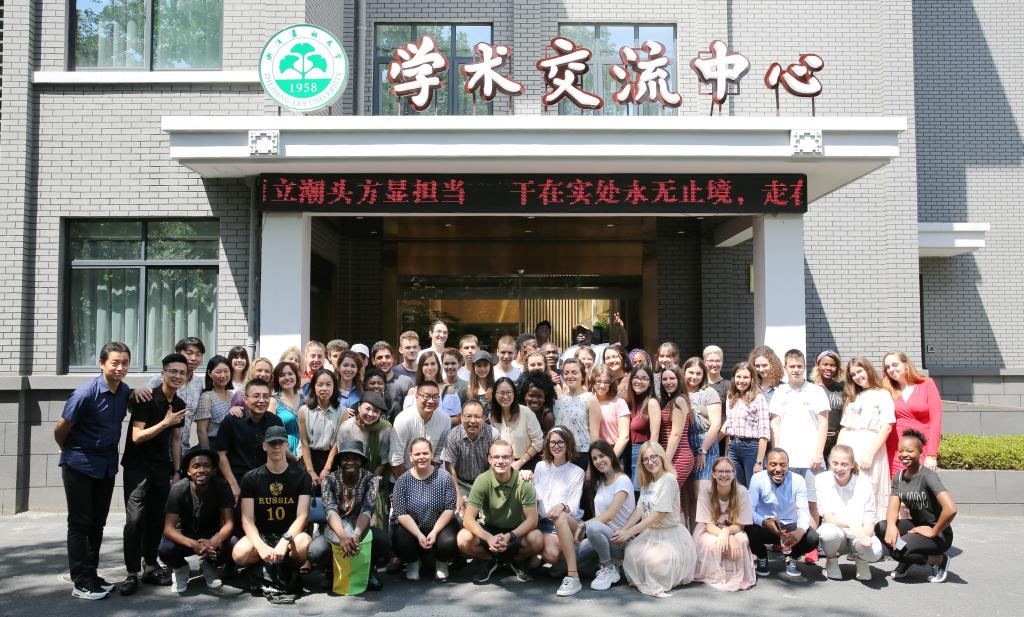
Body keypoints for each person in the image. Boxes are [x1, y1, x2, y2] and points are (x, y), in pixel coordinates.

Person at [54, 341, 133, 600]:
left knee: (98, 523)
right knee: (80, 523)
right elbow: (61, 428)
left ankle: (91, 573)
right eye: (115, 363)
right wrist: (69, 451)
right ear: (102, 364)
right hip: (79, 464)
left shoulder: (124, 391)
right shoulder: (85, 393)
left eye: (124, 363)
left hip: (106, 465)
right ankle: (80, 581)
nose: (120, 368)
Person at [119, 352, 189, 595]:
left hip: (161, 467)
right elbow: (137, 436)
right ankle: (131, 573)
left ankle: (150, 567)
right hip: (137, 467)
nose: (177, 376)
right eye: (173, 371)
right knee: (135, 520)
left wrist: (177, 470)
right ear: (163, 373)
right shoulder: (147, 397)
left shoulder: (179, 404)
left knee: (157, 519)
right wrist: (165, 423)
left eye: (182, 373)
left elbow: (176, 439)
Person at [232, 426, 313, 602]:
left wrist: (285, 541)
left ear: (287, 445)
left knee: (305, 544)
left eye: (280, 443)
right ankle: (264, 566)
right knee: (239, 553)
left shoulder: (301, 476)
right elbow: (247, 520)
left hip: (291, 536)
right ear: (264, 446)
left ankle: (286, 569)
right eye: (272, 443)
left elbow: (303, 516)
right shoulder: (251, 478)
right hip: (263, 534)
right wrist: (261, 546)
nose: (276, 447)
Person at [769, 349, 829, 562]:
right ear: (785, 368)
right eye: (792, 366)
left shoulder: (816, 391)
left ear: (804, 367)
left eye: (799, 366)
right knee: (786, 502)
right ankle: (785, 539)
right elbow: (775, 423)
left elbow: (823, 423)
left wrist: (819, 452)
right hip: (787, 459)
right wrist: (776, 454)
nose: (795, 370)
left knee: (812, 502)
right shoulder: (780, 392)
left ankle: (810, 544)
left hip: (811, 458)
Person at [876, 430, 957, 583]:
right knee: (882, 528)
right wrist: (891, 526)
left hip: (939, 534)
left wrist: (933, 531)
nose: (903, 454)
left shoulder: (928, 476)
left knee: (901, 549)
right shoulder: (899, 476)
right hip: (917, 527)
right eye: (901, 451)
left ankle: (938, 560)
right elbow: (893, 505)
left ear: (920, 453)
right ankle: (906, 556)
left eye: (909, 451)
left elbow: (951, 509)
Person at [457, 440, 544, 584]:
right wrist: (489, 538)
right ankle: (492, 560)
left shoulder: (524, 482)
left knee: (537, 538)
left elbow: (532, 521)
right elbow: (468, 519)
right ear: (490, 459)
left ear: (512, 458)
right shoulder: (482, 480)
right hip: (489, 529)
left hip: (515, 531)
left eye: (505, 457)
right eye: (496, 457)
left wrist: (510, 536)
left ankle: (514, 560)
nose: (500, 461)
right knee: (463, 538)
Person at [617, 441, 696, 597]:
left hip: (669, 534)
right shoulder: (647, 482)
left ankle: (668, 574)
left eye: (653, 457)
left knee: (654, 561)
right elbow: (639, 510)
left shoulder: (669, 479)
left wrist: (629, 532)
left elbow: (659, 514)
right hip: (651, 533)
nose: (650, 462)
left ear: (661, 457)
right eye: (645, 459)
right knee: (631, 552)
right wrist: (623, 530)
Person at [308, 439, 388, 591]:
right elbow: (330, 510)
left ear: (361, 461)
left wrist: (356, 534)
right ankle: (331, 572)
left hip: (361, 526)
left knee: (383, 541)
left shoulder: (371, 480)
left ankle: (369, 571)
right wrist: (343, 536)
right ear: (340, 461)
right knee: (316, 550)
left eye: (355, 458)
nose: (350, 462)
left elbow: (367, 510)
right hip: (335, 527)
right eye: (345, 458)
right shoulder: (328, 480)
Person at [159, 447, 234, 594]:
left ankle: (209, 564)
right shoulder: (178, 489)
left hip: (211, 535)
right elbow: (168, 528)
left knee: (232, 542)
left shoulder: (221, 486)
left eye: (206, 466)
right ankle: (181, 568)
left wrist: (213, 542)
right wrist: (194, 544)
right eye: (196, 466)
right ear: (188, 471)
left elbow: (229, 523)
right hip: (186, 535)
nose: (201, 470)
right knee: (165, 549)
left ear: (213, 470)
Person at [391, 438, 460, 581]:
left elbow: (449, 508)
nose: (421, 457)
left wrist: (434, 532)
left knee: (449, 541)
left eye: (425, 453)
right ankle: (413, 563)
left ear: (432, 454)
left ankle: (441, 563)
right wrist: (418, 535)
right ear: (411, 456)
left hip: (440, 526)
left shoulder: (444, 477)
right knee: (400, 539)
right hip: (413, 527)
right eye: (417, 454)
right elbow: (401, 513)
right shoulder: (402, 481)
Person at [745, 448, 820, 578]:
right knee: (746, 526)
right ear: (766, 465)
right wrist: (764, 522)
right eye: (773, 464)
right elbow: (749, 510)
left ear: (788, 466)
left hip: (789, 527)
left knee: (812, 538)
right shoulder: (757, 479)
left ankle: (792, 558)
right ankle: (762, 557)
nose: (778, 469)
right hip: (766, 525)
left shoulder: (798, 480)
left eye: (783, 465)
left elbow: (803, 511)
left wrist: (799, 531)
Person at [837, 356, 895, 519]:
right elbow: (844, 427)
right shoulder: (853, 397)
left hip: (869, 446)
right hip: (850, 447)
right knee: (849, 488)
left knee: (869, 488)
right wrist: (838, 453)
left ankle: (871, 527)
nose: (857, 376)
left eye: (859, 371)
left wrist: (870, 454)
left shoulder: (882, 394)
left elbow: (886, 427)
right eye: (853, 374)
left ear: (868, 369)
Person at [816, 444, 884, 581]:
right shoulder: (822, 479)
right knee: (827, 533)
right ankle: (831, 560)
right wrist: (852, 525)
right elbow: (827, 516)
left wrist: (864, 536)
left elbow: (870, 518)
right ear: (829, 461)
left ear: (852, 465)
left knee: (875, 552)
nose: (839, 468)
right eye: (835, 463)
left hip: (858, 534)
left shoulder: (864, 483)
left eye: (844, 464)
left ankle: (862, 560)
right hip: (838, 533)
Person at [576, 440, 635, 591]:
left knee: (593, 527)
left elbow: (609, 516)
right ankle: (603, 564)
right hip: (602, 538)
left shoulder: (622, 480)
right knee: (561, 565)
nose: (598, 461)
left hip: (620, 541)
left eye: (602, 456)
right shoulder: (601, 482)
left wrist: (583, 524)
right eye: (594, 458)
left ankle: (609, 569)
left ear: (610, 455)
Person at [534, 427, 586, 596]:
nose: (556, 446)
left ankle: (573, 576)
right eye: (552, 442)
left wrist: (562, 505)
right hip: (543, 523)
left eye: (560, 442)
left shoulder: (577, 472)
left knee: (560, 517)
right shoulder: (540, 467)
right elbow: (535, 497)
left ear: (568, 444)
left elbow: (574, 507)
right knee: (550, 553)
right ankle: (547, 559)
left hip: (568, 522)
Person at [216, 379, 285, 506]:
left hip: (266, 481)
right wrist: (233, 484)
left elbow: (279, 452)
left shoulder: (275, 421)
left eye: (266, 396)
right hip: (238, 479)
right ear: (246, 399)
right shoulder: (232, 420)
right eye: (256, 396)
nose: (261, 400)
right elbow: (220, 453)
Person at [693, 457, 756, 591]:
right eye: (720, 471)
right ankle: (714, 574)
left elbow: (740, 525)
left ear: (734, 474)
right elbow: (708, 525)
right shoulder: (706, 490)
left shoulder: (741, 491)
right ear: (713, 473)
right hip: (710, 529)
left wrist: (727, 532)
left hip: (733, 529)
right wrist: (723, 534)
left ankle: (733, 574)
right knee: (712, 542)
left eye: (728, 471)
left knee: (741, 539)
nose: (724, 475)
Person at [882, 350, 943, 476]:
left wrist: (932, 454)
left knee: (919, 485)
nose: (891, 369)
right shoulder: (886, 390)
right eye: (887, 367)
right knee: (898, 485)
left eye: (895, 364)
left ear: (906, 364)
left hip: (921, 447)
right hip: (896, 449)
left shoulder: (926, 384)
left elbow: (936, 421)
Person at [145, 336, 205, 456]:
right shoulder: (159, 380)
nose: (194, 358)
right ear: (178, 354)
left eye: (198, 354)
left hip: (182, 450)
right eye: (189, 353)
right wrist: (136, 393)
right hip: (156, 451)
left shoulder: (198, 383)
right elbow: (139, 408)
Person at [682, 357, 723, 530]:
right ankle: (690, 536)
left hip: (704, 446)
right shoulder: (679, 391)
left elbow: (716, 424)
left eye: (698, 373)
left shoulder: (709, 392)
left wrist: (703, 450)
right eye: (690, 372)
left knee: (701, 496)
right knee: (687, 497)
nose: (694, 376)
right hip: (684, 446)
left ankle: (703, 536)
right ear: (684, 372)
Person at [441, 400, 500, 518]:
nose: (472, 421)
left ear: (484, 418)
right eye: (468, 416)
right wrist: (458, 495)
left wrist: (486, 489)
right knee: (460, 516)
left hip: (486, 481)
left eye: (477, 417)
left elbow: (494, 465)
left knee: (489, 515)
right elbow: (449, 467)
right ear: (462, 417)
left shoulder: (493, 434)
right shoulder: (453, 436)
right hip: (461, 483)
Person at [724, 362, 770, 488]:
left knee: (753, 487)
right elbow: (729, 428)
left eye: (745, 377)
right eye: (738, 377)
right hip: (733, 447)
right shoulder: (730, 397)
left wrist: (759, 462)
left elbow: (764, 431)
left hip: (751, 448)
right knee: (737, 489)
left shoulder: (758, 398)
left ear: (751, 379)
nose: (741, 380)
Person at [390, 380, 450, 476]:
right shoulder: (403, 419)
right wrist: (407, 482)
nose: (431, 401)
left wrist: (429, 478)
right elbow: (396, 458)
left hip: (429, 476)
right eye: (426, 396)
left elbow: (438, 456)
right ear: (417, 396)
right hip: (402, 475)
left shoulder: (445, 420)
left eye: (435, 397)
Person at [552, 358, 602, 470]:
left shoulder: (590, 399)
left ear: (582, 376)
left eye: (574, 372)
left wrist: (591, 466)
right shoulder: (560, 400)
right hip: (561, 454)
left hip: (582, 455)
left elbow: (594, 436)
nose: (570, 376)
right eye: (566, 373)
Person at [298, 367, 344, 488]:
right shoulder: (304, 411)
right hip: (308, 459)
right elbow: (304, 442)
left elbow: (337, 443)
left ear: (334, 387)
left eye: (328, 385)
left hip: (331, 460)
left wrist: (327, 469)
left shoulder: (342, 412)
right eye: (320, 385)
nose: (324, 388)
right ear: (314, 387)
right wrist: (310, 471)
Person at [657, 364, 693, 506]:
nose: (668, 382)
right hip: (671, 456)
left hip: (679, 457)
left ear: (679, 380)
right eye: (664, 379)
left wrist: (665, 462)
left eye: (672, 378)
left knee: (667, 500)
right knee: (673, 501)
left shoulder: (679, 400)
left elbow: (676, 434)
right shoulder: (668, 401)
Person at [491, 376, 544, 472]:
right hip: (502, 465)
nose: (505, 396)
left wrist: (520, 462)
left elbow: (538, 441)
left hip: (527, 464)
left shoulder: (526, 413)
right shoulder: (492, 416)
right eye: (501, 393)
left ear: (514, 393)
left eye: (509, 392)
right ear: (495, 394)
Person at [623, 365, 661, 491]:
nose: (639, 381)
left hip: (642, 452)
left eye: (644, 378)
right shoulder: (629, 403)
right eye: (636, 377)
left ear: (650, 383)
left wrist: (649, 459)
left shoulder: (652, 403)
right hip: (627, 453)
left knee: (638, 492)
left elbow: (655, 435)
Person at [592, 364, 630, 473]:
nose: (602, 385)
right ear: (593, 382)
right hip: (593, 456)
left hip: (614, 454)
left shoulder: (619, 403)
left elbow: (624, 436)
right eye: (598, 381)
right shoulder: (588, 401)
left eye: (606, 382)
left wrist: (610, 459)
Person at [812, 350, 846, 461]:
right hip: (816, 439)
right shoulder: (811, 389)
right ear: (818, 365)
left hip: (837, 439)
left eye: (833, 365)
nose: (829, 368)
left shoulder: (842, 388)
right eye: (825, 364)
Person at [195, 355, 233, 450]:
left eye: (226, 371)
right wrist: (207, 453)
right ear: (209, 373)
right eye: (218, 372)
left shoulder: (232, 395)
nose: (223, 375)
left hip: (231, 445)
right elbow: (201, 430)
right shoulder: (206, 397)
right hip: (214, 445)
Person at [372, 341, 414, 413]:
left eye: (387, 357)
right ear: (373, 361)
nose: (384, 360)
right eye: (380, 357)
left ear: (393, 359)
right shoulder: (368, 384)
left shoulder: (406, 382)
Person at [271, 361, 302, 455]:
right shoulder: (273, 401)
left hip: (305, 451)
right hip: (283, 452)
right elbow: (271, 433)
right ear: (277, 379)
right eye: (282, 375)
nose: (287, 377)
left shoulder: (306, 400)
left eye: (290, 373)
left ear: (296, 376)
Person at [518, 369, 557, 433]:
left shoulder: (547, 417)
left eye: (539, 396)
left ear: (544, 399)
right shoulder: (518, 411)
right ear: (525, 396)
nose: (535, 400)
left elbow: (549, 437)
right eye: (531, 395)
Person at [334, 350, 363, 418]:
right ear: (338, 367)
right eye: (345, 365)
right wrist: (341, 411)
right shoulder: (331, 390)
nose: (349, 369)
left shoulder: (362, 391)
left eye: (353, 366)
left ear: (357, 369)